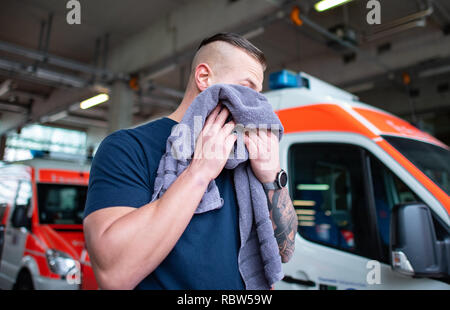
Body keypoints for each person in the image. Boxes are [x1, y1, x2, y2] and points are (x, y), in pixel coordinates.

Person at [83, 32, 297, 290]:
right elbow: (113, 273)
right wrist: (198, 173)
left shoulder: (245, 159)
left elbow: (285, 250)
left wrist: (272, 177)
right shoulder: (127, 147)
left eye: (259, 93)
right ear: (204, 77)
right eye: (248, 87)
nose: (258, 104)